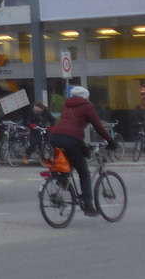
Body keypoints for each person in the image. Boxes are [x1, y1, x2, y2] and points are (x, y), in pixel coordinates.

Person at [48, 85, 117, 216]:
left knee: (69, 163)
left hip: (56, 137)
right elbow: (98, 126)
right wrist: (111, 141)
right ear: (86, 97)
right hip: (71, 140)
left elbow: (68, 125)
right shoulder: (87, 106)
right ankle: (88, 206)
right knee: (84, 173)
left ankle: (61, 179)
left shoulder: (67, 105)